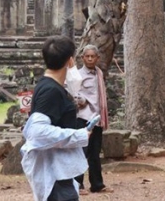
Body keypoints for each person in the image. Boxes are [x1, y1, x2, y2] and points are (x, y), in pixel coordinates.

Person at [21, 35, 90, 201]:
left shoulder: (51, 86)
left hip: (60, 169)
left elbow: (70, 95)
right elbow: (37, 132)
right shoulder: (50, 91)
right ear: (70, 61)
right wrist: (79, 135)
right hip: (53, 172)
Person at [73, 45, 112, 194]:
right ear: (82, 58)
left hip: (96, 118)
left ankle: (97, 184)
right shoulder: (77, 75)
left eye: (92, 56)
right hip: (82, 118)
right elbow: (71, 91)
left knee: (95, 153)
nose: (90, 58)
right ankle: (77, 185)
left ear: (97, 58)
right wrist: (81, 100)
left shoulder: (99, 73)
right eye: (87, 56)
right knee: (81, 152)